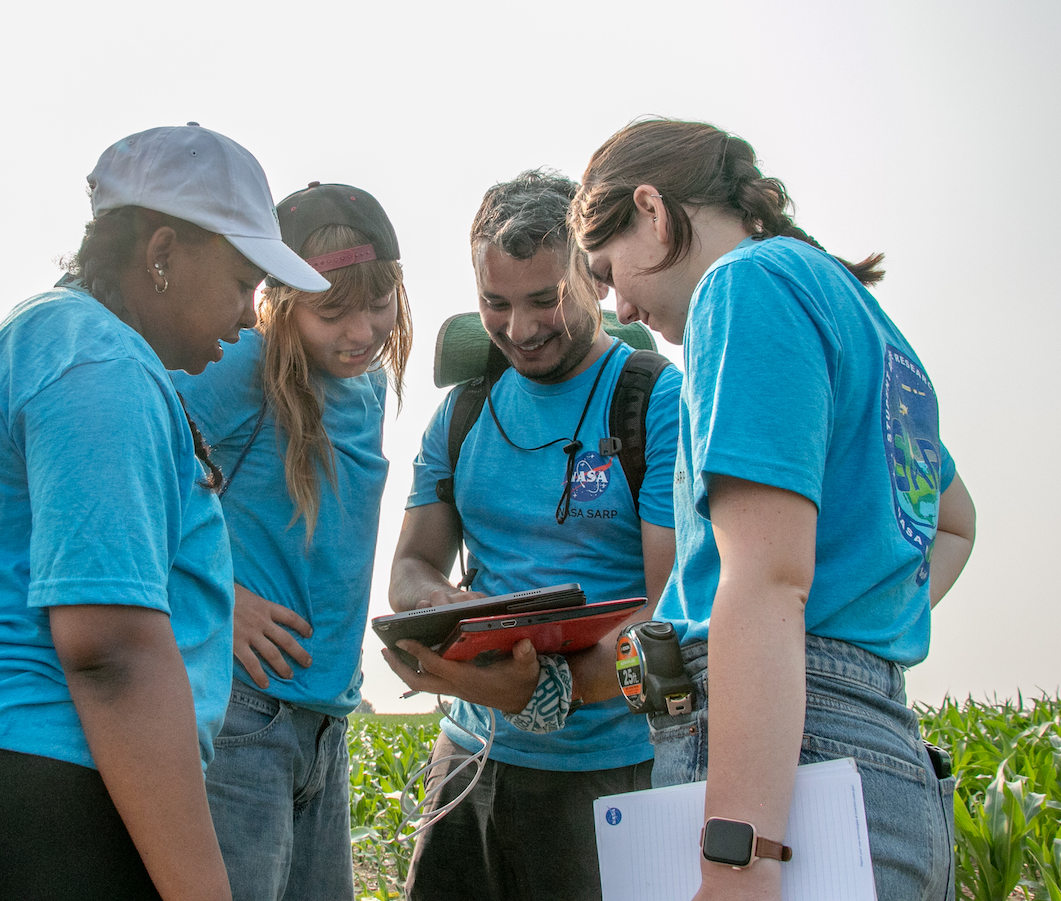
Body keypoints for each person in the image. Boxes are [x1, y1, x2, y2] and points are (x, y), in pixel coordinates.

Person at [0, 123, 330, 901]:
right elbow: (110, 649)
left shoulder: (54, 343)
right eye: (244, 282)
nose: (250, 316)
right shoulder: (100, 366)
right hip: (18, 787)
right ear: (162, 251)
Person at [570, 119, 978, 901]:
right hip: (883, 753)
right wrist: (856, 614)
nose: (619, 304)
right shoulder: (859, 314)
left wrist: (739, 859)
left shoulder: (744, 286)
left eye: (607, 269)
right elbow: (954, 523)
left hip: (792, 771)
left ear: (652, 211)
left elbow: (765, 581)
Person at [382, 170, 682, 901]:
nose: (520, 329)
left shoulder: (655, 400)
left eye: (544, 299)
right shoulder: (461, 416)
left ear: (593, 277)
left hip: (614, 773)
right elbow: (414, 566)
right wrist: (450, 625)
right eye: (496, 303)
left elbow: (673, 613)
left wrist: (544, 690)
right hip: (471, 762)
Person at [171, 181, 412, 901]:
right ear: (278, 300)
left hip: (324, 722)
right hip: (242, 715)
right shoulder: (239, 368)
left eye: (378, 306)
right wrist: (220, 598)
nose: (362, 332)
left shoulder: (367, 391)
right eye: (332, 312)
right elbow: (126, 476)